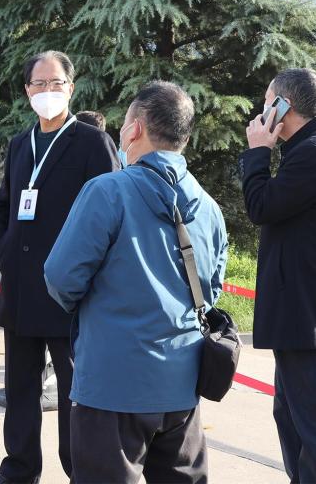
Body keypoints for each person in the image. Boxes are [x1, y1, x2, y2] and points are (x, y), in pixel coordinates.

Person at [45, 81, 227, 484]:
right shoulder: (209, 208)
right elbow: (210, 291)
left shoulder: (107, 191)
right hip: (181, 384)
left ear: (135, 129)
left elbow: (60, 276)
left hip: (111, 383)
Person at [0, 51, 119, 484]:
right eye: (38, 84)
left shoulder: (92, 143)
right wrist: (3, 250)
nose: (47, 91)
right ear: (27, 91)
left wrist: (87, 276)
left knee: (74, 393)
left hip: (69, 293)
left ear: (71, 88)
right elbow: (4, 205)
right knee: (20, 388)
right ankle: (19, 469)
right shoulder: (20, 144)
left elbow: (112, 212)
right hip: (21, 288)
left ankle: (80, 471)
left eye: (55, 83)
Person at [241, 68, 316, 484]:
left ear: (283, 106)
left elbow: (261, 206)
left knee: (314, 423)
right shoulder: (309, 147)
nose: (262, 111)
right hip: (302, 307)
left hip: (311, 308)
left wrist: (258, 151)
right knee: (293, 416)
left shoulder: (315, 151)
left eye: (267, 102)